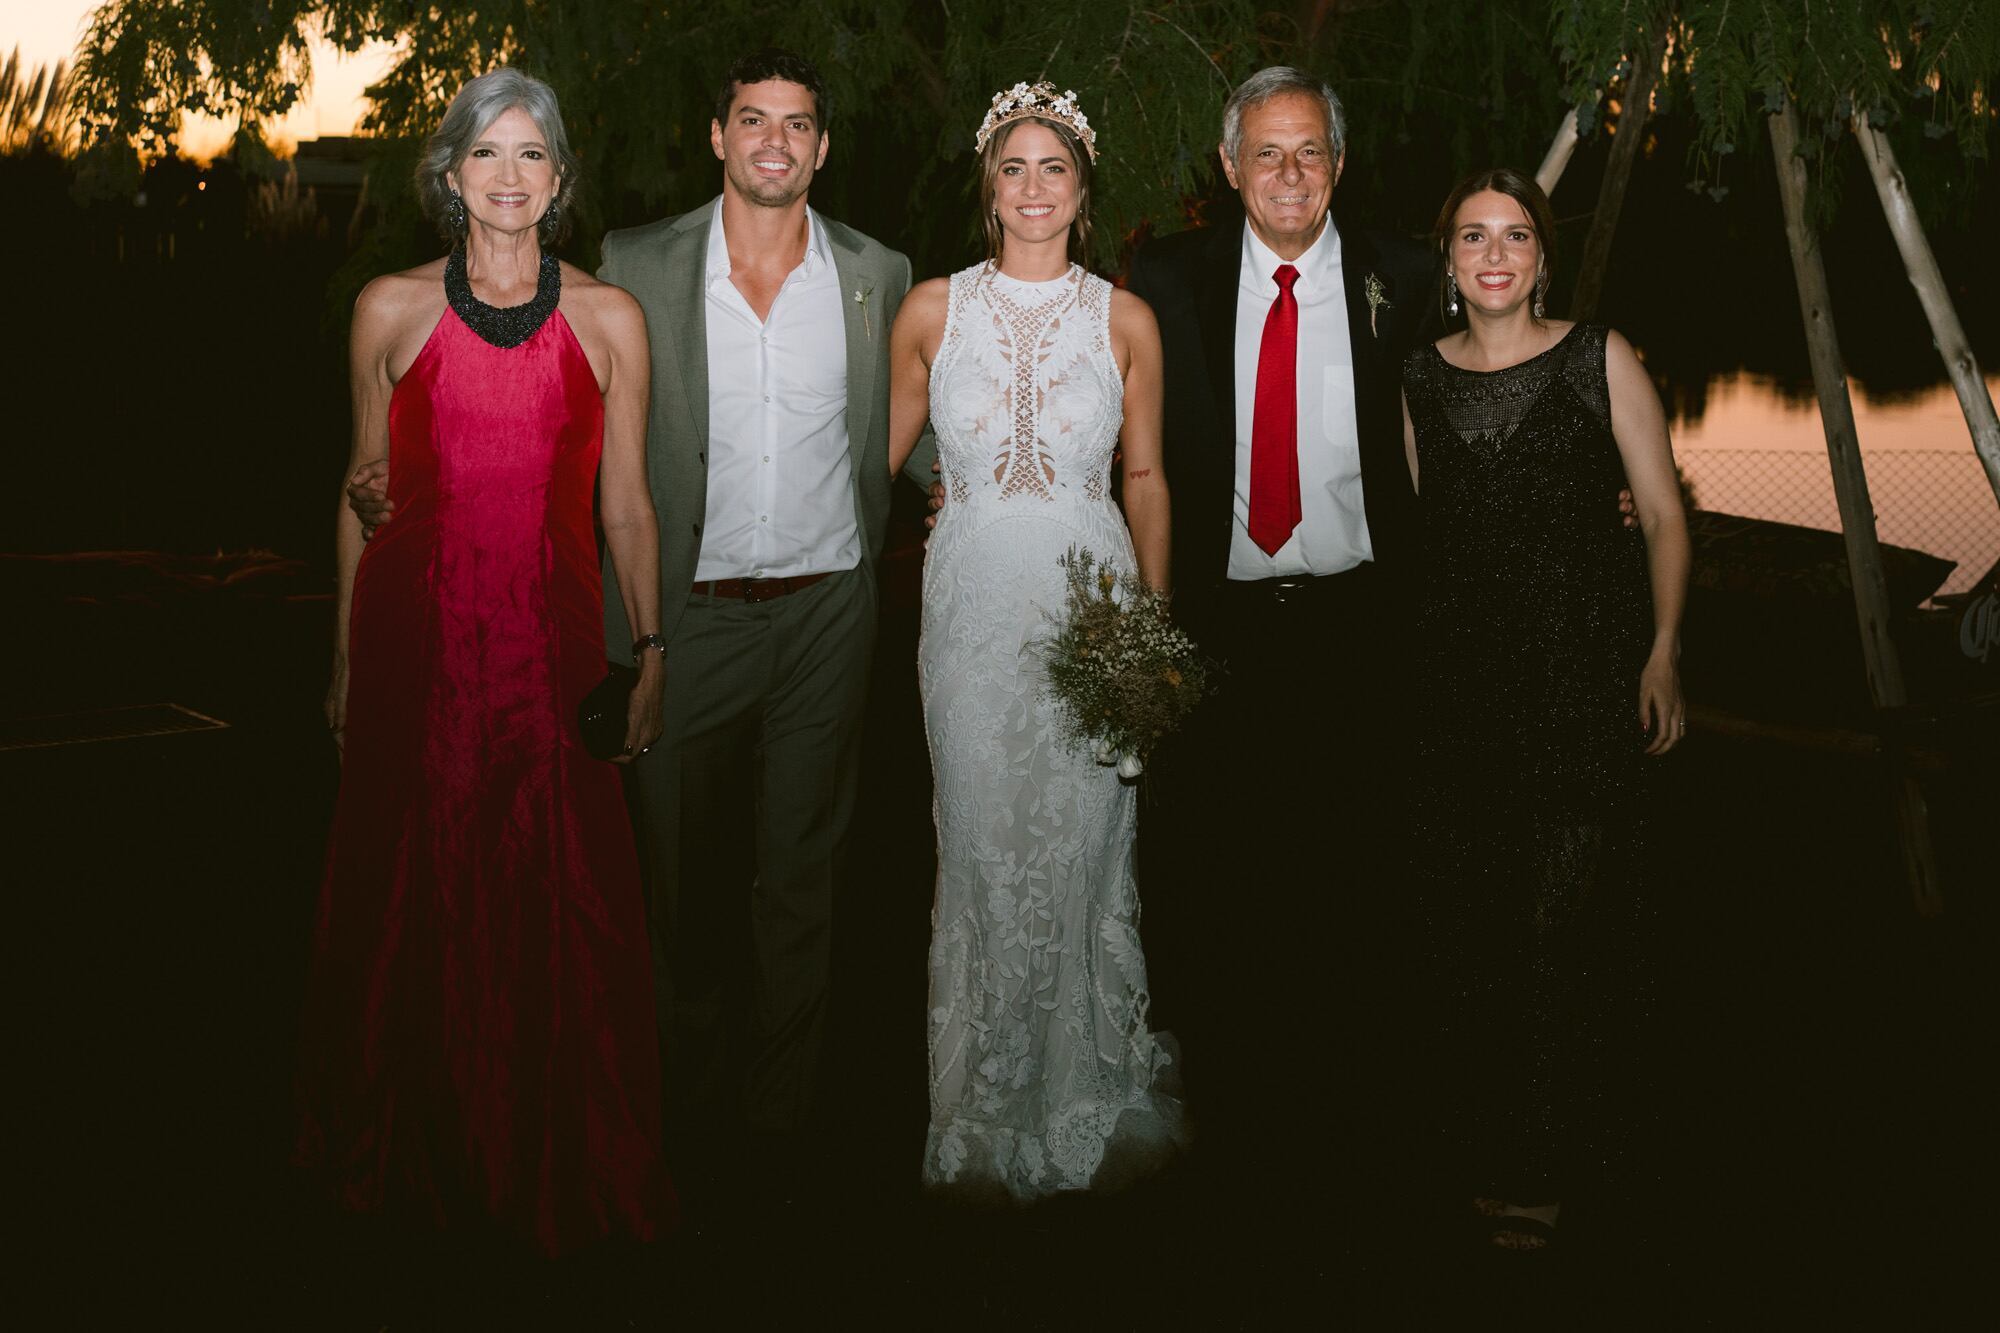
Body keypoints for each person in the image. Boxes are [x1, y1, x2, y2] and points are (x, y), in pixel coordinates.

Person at [300, 67, 671, 1253]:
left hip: (549, 646)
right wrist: (346, 661)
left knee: (558, 893)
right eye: (486, 155)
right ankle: (408, 1150)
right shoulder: (386, 308)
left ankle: (557, 1154)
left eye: (532, 156)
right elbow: (364, 496)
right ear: (449, 175)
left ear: (558, 180)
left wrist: (649, 645)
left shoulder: (610, 319)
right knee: (412, 885)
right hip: (416, 643)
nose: (509, 178)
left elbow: (627, 508)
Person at [1119, 68, 1436, 1198]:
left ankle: (1347, 1109)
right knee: (1216, 869)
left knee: (1354, 864)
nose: (1289, 175)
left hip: (1360, 619)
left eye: (1309, 153)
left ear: (1338, 166)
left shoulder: (1406, 274)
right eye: (1266, 153)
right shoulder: (1163, 282)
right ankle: (1231, 1111)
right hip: (1217, 626)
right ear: (1227, 166)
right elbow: (1111, 426)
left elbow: (1473, 405)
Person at [887, 81, 1182, 1199]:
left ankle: (1085, 1084)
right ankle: (982, 1099)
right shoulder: (928, 310)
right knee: (976, 843)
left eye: (1051, 166)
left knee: (1080, 847)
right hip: (965, 618)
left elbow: (1145, 479)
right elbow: (873, 457)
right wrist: (942, 491)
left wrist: (1151, 638)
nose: (1030, 188)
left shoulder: (1123, 318)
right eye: (1010, 166)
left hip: (1089, 615)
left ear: (1082, 189)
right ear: (987, 186)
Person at [1400, 166, 1689, 1251]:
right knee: (1478, 926)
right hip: (1460, 689)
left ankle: (1548, 1162)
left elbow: (1660, 513)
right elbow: (1420, 537)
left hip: (1578, 675)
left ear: (1540, 257)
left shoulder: (1596, 357)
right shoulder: (1416, 380)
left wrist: (1660, 650)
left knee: (1556, 927)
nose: (1491, 255)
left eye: (1512, 235)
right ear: (1446, 262)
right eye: (1470, 236)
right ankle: (1492, 1139)